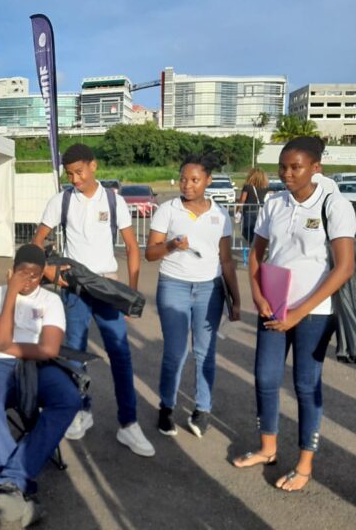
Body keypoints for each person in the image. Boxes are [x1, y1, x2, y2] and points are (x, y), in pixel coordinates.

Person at [232, 136, 355, 492]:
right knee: (266, 378)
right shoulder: (274, 203)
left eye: (295, 167)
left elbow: (345, 267)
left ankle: (304, 464)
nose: (287, 173)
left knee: (305, 384)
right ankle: (267, 449)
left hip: (315, 313)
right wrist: (258, 295)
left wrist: (300, 312)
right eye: (283, 167)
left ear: (316, 168)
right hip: (274, 305)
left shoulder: (334, 205)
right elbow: (257, 254)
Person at [32, 143, 154, 456]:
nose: (75, 179)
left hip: (107, 286)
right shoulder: (61, 200)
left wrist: (129, 293)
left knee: (120, 354)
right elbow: (37, 241)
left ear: (93, 166)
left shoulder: (114, 201)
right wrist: (48, 270)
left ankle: (129, 424)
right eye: (69, 174)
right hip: (74, 288)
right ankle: (81, 411)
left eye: (79, 172)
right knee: (74, 354)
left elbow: (132, 247)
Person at [0, 244, 80, 528]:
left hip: (40, 367)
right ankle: (20, 489)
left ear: (42, 275)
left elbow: (49, 349)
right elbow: (2, 338)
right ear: (12, 271)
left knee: (68, 399)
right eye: (22, 273)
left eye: (34, 275)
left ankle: (11, 482)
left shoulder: (51, 300)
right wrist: (11, 293)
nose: (28, 280)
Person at [145, 153, 241, 438]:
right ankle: (166, 407)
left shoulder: (220, 215)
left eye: (195, 180)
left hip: (210, 289)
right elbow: (150, 253)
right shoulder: (168, 210)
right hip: (173, 285)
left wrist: (236, 299)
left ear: (208, 180)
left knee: (205, 352)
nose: (187, 185)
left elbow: (226, 260)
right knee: (175, 352)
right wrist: (172, 245)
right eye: (183, 179)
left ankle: (202, 410)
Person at [237, 168, 269, 245]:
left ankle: (252, 245)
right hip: (261, 211)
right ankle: (255, 246)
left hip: (249, 210)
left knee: (247, 231)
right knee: (258, 231)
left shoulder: (247, 187)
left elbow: (242, 199)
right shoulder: (265, 188)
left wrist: (237, 209)